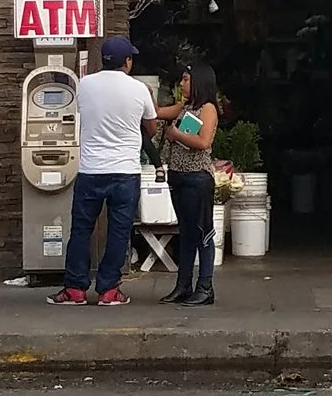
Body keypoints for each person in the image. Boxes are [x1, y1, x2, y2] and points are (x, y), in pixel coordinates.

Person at [48, 35, 156, 306]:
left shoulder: (85, 84)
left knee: (81, 229)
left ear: (103, 60)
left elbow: (80, 112)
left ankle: (75, 289)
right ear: (127, 61)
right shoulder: (139, 89)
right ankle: (109, 290)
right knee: (119, 231)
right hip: (125, 171)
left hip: (91, 170)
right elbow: (151, 128)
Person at [159, 63, 219, 306]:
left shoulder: (207, 108)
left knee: (203, 233)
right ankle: (183, 285)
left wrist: (176, 135)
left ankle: (205, 286)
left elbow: (203, 142)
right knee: (185, 233)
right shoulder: (184, 107)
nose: (182, 84)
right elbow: (158, 112)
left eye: (186, 79)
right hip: (178, 176)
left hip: (197, 177)